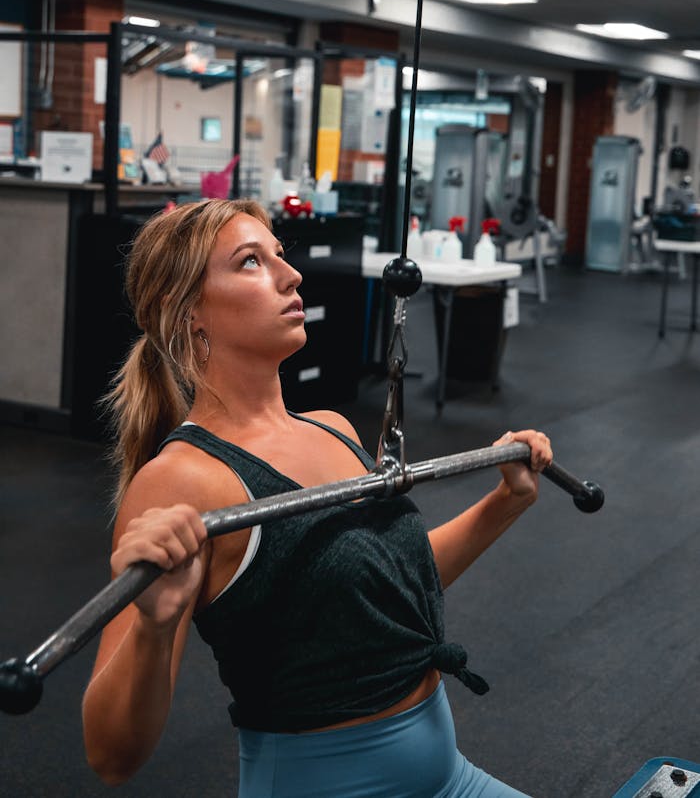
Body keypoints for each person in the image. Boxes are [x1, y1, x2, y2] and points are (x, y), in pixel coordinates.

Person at [82, 198, 553, 797]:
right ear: (191, 313)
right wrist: (154, 625)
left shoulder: (333, 427)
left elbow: (386, 590)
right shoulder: (183, 480)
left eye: (280, 254)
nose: (291, 274)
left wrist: (504, 502)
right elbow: (110, 755)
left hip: (449, 778)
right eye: (252, 262)